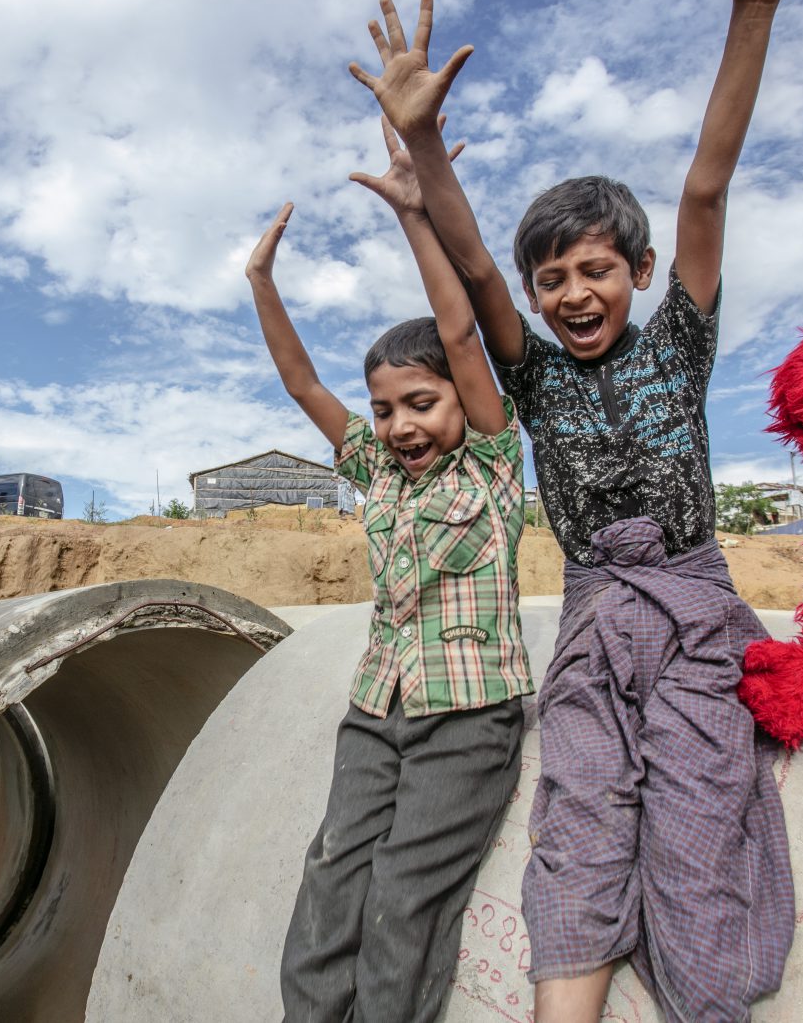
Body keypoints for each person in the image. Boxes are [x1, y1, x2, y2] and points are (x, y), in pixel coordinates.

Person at [348, 0, 797, 1020]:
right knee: (581, 817)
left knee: (697, 815)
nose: (571, 292)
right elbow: (476, 280)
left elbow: (704, 185)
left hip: (692, 616)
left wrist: (754, 8)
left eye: (593, 269)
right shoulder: (535, 374)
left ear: (639, 274)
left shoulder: (678, 343)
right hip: (595, 621)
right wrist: (421, 146)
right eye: (553, 279)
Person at [251, 120, 533, 1023]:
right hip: (377, 710)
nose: (402, 424)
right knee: (332, 872)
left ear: (460, 393)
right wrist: (261, 285)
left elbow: (458, 324)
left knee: (405, 896)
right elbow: (301, 384)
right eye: (385, 409)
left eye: (422, 401)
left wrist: (417, 213)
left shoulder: (490, 462)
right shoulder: (373, 468)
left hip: (467, 715)